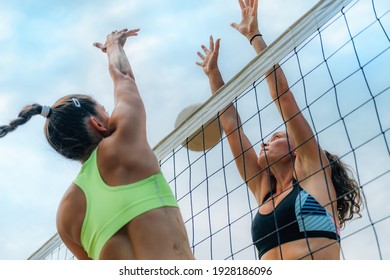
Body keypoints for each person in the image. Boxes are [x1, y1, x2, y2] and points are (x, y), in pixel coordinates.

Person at [0, 29, 194, 260]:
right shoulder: (122, 144)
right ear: (97, 124)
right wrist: (113, 46)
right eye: (105, 110)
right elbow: (124, 77)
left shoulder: (65, 216)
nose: (111, 114)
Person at [196, 0, 362, 260]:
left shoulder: (311, 170)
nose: (265, 141)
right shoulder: (263, 188)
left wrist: (254, 36)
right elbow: (231, 127)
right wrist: (213, 75)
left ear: (296, 148)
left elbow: (283, 96)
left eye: (276, 137)